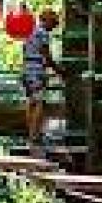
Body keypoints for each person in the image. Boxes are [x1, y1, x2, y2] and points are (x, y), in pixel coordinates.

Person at [22, 8, 66, 153]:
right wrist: (59, 70)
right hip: (36, 69)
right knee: (39, 103)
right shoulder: (42, 33)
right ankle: (34, 136)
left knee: (31, 101)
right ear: (46, 20)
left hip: (27, 68)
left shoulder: (30, 31)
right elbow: (47, 56)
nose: (53, 27)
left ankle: (31, 132)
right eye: (53, 23)